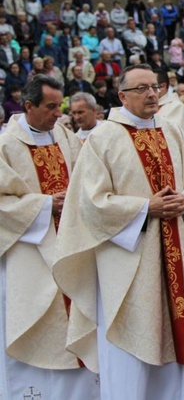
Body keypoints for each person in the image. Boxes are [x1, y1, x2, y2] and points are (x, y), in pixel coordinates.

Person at [54, 65, 184, 400]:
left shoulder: (173, 131)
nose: (151, 94)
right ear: (121, 95)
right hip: (128, 263)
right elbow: (90, 203)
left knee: (180, 340)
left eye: (155, 87)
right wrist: (144, 209)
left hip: (175, 254)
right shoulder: (104, 138)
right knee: (131, 342)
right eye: (141, 89)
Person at [0, 76, 97, 399]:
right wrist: (44, 205)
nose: (59, 114)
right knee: (38, 326)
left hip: (69, 247)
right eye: (51, 107)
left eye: (61, 106)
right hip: (29, 254)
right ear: (28, 106)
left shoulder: (65, 137)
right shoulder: (6, 146)